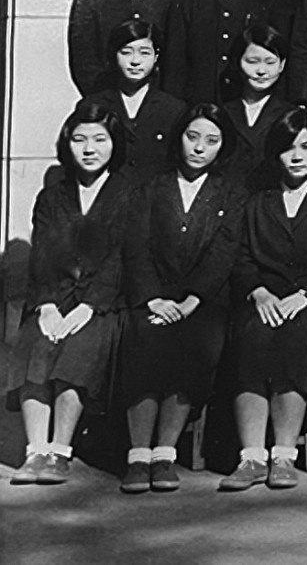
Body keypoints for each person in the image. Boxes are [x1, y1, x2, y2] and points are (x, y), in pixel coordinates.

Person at [220, 108, 307, 491]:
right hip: (264, 298)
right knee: (252, 333)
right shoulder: (257, 203)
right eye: (287, 148)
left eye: (306, 147)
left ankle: (283, 454)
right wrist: (259, 292)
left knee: (301, 333)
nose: (296, 156)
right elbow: (242, 256)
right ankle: (251, 456)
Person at [118, 104, 244, 493]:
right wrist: (152, 299)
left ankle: (165, 454)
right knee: (145, 336)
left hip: (203, 303)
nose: (199, 148)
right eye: (193, 137)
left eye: (211, 140)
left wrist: (192, 301)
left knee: (194, 343)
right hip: (154, 298)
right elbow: (137, 248)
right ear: (179, 138)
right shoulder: (151, 189)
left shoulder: (232, 194)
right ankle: (138, 454)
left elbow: (224, 253)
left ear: (223, 147)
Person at [6, 105, 131, 486]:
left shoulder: (130, 193)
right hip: (55, 296)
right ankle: (36, 450)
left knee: (78, 348)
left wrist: (89, 307)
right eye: (79, 139)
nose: (89, 149)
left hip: (103, 302)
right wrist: (46, 306)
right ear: (67, 144)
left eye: (99, 139)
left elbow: (122, 257)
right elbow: (42, 256)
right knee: (36, 341)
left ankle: (60, 450)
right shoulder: (52, 197)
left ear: (115, 143)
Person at [78, 19, 187, 180]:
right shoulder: (93, 104)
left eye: (145, 53)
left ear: (156, 57)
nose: (135, 61)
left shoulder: (174, 109)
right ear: (114, 55)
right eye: (126, 52)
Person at [219, 24, 298, 192]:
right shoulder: (222, 112)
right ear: (237, 62)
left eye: (270, 62)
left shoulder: (292, 115)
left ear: (282, 65)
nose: (261, 71)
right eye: (252, 62)